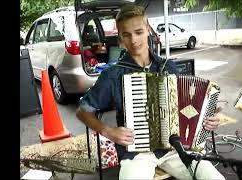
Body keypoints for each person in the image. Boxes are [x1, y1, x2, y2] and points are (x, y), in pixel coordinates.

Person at [76, 4, 225, 180]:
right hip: (137, 153)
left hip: (175, 147)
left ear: (148, 30)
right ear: (120, 37)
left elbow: (188, 105)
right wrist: (109, 132)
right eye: (126, 35)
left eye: (138, 32)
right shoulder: (112, 75)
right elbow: (83, 111)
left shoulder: (167, 66)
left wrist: (207, 119)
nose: (133, 40)